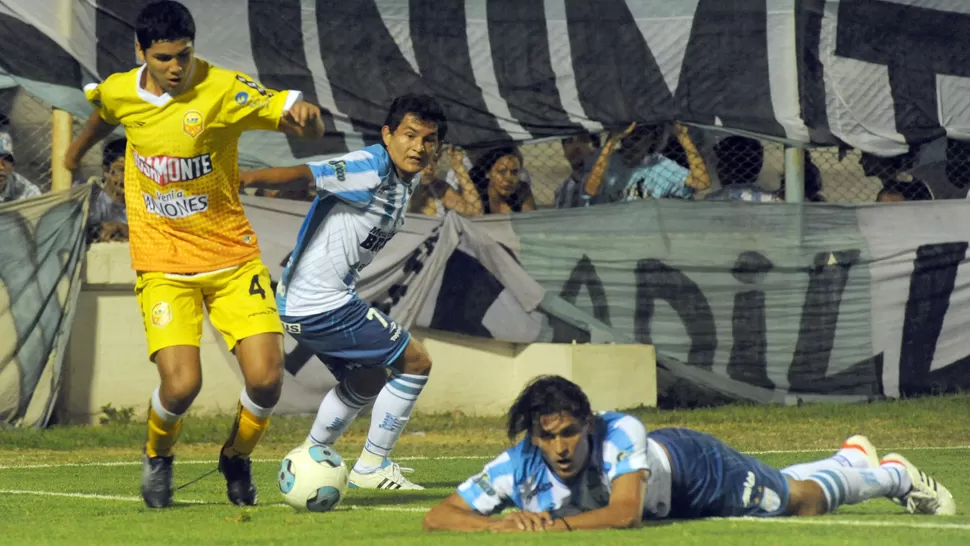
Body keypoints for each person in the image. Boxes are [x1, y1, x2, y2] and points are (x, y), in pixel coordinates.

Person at [62, 0, 324, 509]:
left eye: (183, 55)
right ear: (141, 52)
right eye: (163, 58)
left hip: (232, 258)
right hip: (163, 263)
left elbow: (296, 121)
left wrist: (308, 121)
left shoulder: (223, 89)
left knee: (268, 381)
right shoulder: (121, 90)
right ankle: (158, 456)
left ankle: (237, 457)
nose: (176, 67)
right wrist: (75, 152)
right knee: (182, 387)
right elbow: (105, 111)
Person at [423, 375, 956, 532]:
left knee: (801, 502)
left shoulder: (620, 432)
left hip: (694, 472)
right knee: (781, 484)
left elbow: (625, 513)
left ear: (587, 424)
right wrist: (498, 527)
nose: (560, 448)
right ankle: (850, 458)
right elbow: (439, 515)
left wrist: (553, 528)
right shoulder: (517, 466)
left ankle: (890, 476)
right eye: (548, 437)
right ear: (534, 437)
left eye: (569, 433)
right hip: (670, 501)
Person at [239, 94, 445, 490]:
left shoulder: (409, 177)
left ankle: (311, 457)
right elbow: (306, 175)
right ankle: (372, 466)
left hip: (313, 302)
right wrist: (245, 179)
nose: (418, 146)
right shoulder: (370, 165)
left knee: (368, 379)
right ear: (387, 135)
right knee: (416, 363)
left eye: (428, 139)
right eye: (409, 134)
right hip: (319, 302)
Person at [468, 146, 537, 214]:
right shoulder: (475, 192)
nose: (509, 178)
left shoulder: (521, 188)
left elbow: (531, 219)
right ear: (489, 173)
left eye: (514, 172)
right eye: (502, 172)